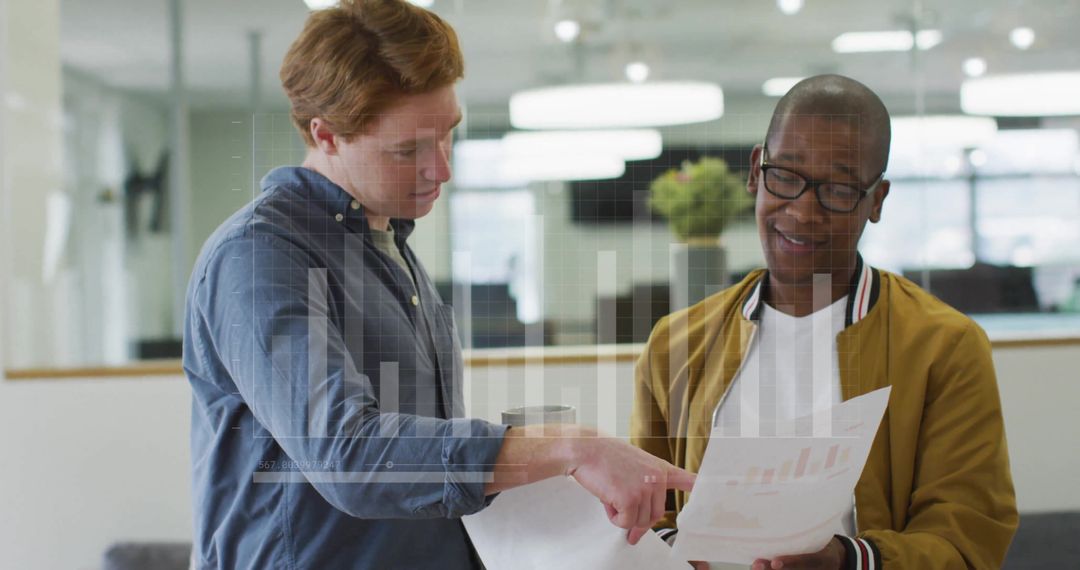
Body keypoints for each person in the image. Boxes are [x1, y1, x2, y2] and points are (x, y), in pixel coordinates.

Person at [182, 1, 693, 568]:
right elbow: (348, 456)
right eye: (408, 150)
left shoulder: (386, 241)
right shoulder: (259, 257)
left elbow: (423, 475)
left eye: (448, 134)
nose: (442, 169)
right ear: (326, 136)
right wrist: (571, 447)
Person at [631, 74, 1017, 570]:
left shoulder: (944, 346)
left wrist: (846, 560)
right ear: (755, 171)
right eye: (785, 176)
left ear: (876, 201)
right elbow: (643, 516)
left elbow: (968, 537)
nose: (802, 210)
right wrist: (676, 553)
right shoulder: (675, 344)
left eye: (837, 189)